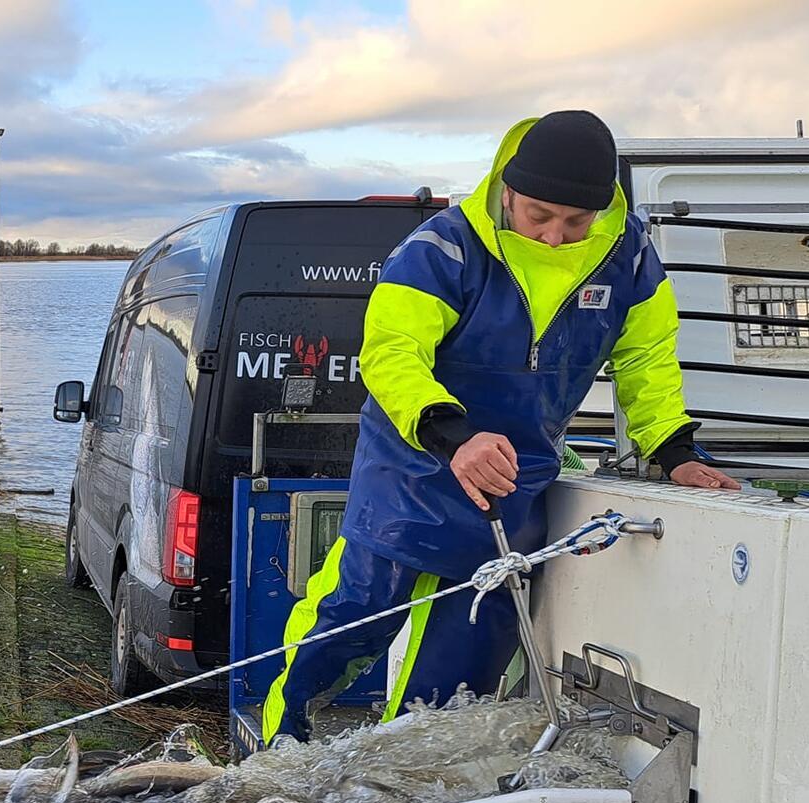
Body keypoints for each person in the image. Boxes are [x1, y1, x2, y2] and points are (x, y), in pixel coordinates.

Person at [261, 110, 739, 747]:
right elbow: (391, 352)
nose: (555, 236)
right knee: (349, 623)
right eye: (540, 215)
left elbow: (647, 360)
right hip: (412, 471)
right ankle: (273, 754)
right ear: (507, 189)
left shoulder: (628, 257)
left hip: (515, 487)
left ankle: (408, 791)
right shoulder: (443, 247)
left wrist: (673, 449)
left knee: (460, 673)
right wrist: (452, 434)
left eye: (576, 221)